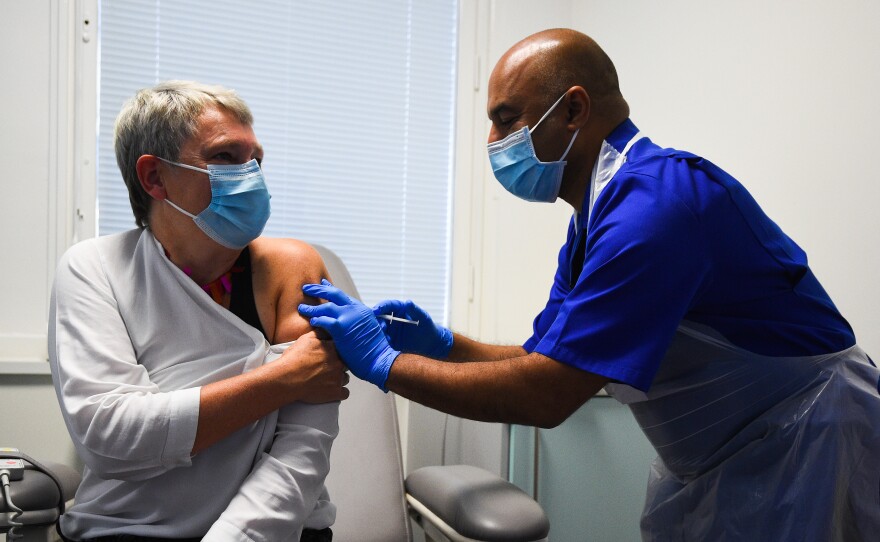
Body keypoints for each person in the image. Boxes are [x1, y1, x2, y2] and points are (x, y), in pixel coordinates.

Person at [298, 29, 880, 540]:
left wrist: (382, 363)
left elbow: (546, 395)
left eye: (506, 117)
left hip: (811, 447)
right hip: (726, 458)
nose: (493, 140)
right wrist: (445, 345)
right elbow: (542, 358)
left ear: (573, 109)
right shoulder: (597, 218)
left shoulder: (656, 211)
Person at [49, 81, 348, 542]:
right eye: (226, 157)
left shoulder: (292, 266)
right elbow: (109, 436)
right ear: (155, 177)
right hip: (125, 527)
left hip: (277, 529)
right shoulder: (94, 269)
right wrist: (284, 377)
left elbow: (304, 446)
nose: (251, 174)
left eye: (256, 160)